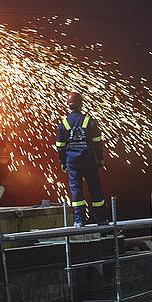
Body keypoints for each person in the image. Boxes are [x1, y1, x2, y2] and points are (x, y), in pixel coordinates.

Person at [55, 92, 108, 227]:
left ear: (68, 105)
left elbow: (60, 146)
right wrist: (100, 159)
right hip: (89, 160)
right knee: (95, 188)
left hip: (72, 162)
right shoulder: (88, 120)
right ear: (81, 104)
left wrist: (63, 162)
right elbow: (97, 142)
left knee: (76, 190)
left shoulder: (65, 123)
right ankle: (101, 219)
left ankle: (79, 220)